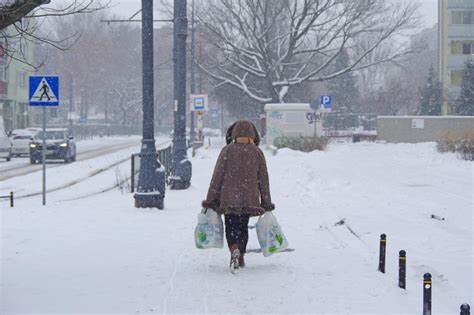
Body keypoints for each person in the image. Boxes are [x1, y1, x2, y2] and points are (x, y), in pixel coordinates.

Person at [202, 119, 274, 273]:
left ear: (233, 133)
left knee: (231, 226)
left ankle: (233, 248)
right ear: (253, 134)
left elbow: (217, 177)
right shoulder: (257, 153)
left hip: (228, 199)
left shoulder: (227, 151)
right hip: (250, 198)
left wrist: (210, 200)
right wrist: (266, 202)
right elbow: (263, 180)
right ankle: (241, 254)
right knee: (242, 227)